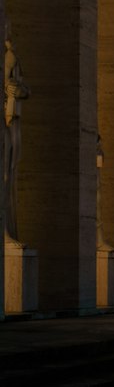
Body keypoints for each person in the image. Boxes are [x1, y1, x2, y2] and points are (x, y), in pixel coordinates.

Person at [3, 23, 31, 243]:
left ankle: (8, 228)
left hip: (13, 117)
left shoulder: (11, 56)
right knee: (6, 172)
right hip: (8, 118)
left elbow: (23, 88)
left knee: (11, 170)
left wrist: (17, 89)